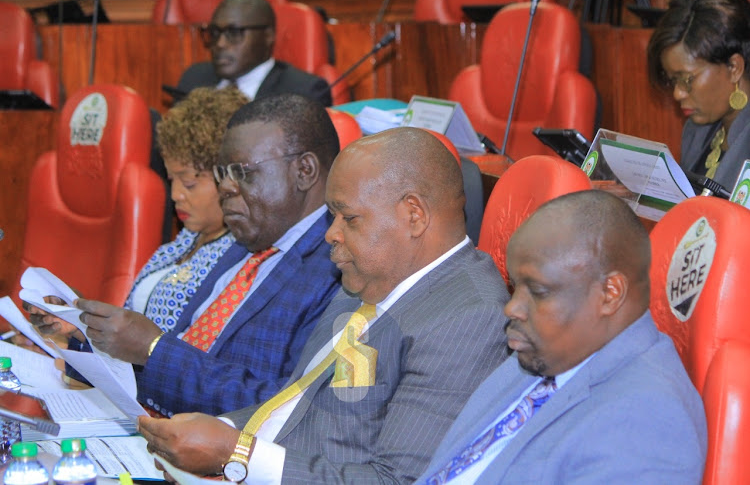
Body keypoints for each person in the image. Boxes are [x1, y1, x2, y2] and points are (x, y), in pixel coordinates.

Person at [138, 127, 510, 483]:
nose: (331, 233)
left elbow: (395, 481)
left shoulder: (468, 317)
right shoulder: (369, 276)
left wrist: (236, 455)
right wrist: (220, 431)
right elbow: (295, 403)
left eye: (348, 218)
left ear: (413, 214)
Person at [34, 94, 342, 417]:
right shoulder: (246, 247)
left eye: (242, 172)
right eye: (222, 173)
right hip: (151, 426)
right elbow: (182, 359)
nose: (227, 188)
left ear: (304, 170)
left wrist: (153, 350)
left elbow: (289, 410)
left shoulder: (338, 266)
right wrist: (87, 340)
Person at [416, 190, 707, 484]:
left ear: (610, 293)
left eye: (539, 292)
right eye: (515, 286)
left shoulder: (649, 425)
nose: (512, 307)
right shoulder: (549, 349)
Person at [23, 86, 245, 339]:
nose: (175, 195)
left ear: (228, 178)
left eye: (189, 183)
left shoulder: (239, 260)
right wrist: (76, 320)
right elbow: (127, 333)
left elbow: (184, 357)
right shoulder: (184, 241)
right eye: (171, 179)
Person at [647, 0, 750, 190]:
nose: (678, 93)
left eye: (686, 79)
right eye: (672, 81)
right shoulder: (696, 131)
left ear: (734, 68)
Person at [177, 0, 332, 107]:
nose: (220, 43)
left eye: (234, 32)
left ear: (268, 35)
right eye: (215, 32)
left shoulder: (302, 93)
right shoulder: (193, 80)